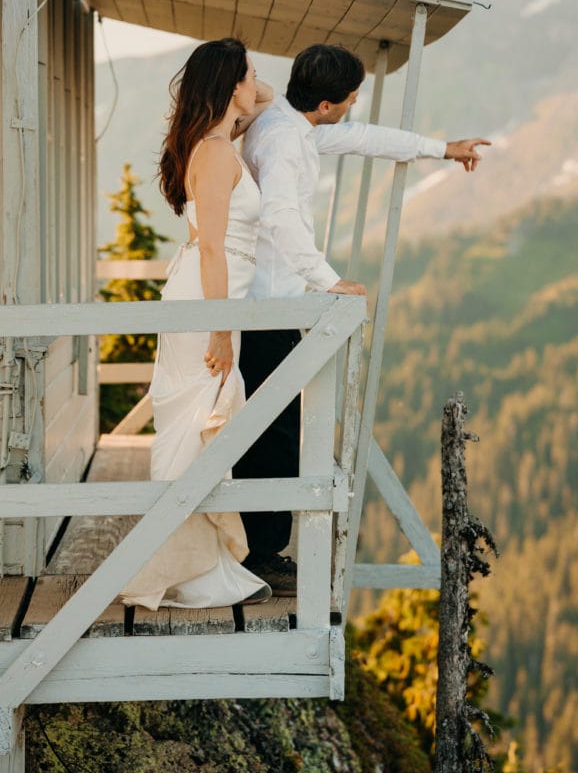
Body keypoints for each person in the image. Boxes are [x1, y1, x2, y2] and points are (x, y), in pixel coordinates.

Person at [237, 43, 491, 595]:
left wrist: (442, 149)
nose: (353, 108)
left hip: (272, 299)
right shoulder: (282, 140)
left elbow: (362, 138)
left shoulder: (292, 122)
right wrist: (329, 279)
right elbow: (280, 216)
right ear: (326, 104)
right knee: (272, 434)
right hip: (266, 304)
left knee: (270, 427)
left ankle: (254, 547)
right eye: (350, 100)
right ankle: (261, 554)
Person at [120, 38, 274, 611]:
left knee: (206, 425)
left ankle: (199, 564)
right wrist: (219, 329)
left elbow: (266, 96)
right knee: (194, 422)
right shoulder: (213, 152)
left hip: (216, 295)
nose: (258, 82)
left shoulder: (219, 140)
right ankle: (179, 570)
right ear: (231, 83)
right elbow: (211, 247)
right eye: (249, 73)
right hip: (207, 299)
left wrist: (238, 77)